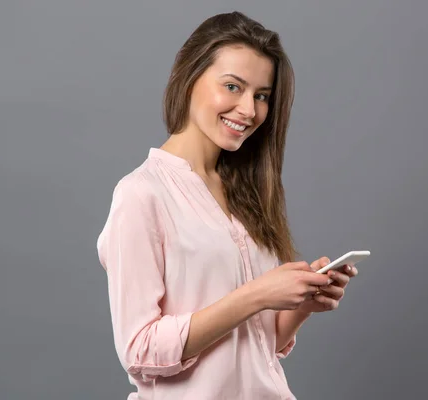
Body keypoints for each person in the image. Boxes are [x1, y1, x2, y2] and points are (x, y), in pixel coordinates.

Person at [96, 11, 358, 400]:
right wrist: (257, 294)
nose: (249, 110)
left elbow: (253, 347)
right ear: (188, 77)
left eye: (262, 96)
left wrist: (301, 303)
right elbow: (140, 349)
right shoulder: (141, 194)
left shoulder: (247, 192)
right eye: (233, 87)